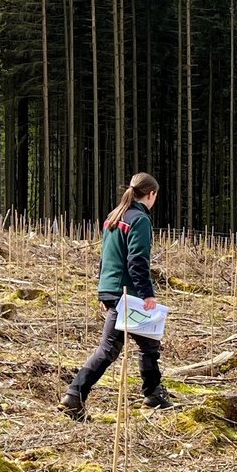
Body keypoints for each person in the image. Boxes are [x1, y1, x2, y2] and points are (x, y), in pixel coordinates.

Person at [64, 172, 170, 418]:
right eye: (156, 196)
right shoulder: (139, 220)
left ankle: (154, 393)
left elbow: (105, 257)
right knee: (110, 348)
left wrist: (104, 291)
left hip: (111, 288)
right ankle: (75, 393)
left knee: (148, 343)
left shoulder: (115, 216)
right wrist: (147, 295)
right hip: (127, 292)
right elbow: (137, 260)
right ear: (151, 194)